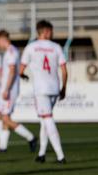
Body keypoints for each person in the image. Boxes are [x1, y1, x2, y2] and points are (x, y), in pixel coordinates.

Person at [20, 20, 68, 164]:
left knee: (47, 119)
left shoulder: (31, 47)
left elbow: (20, 70)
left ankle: (60, 156)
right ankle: (41, 154)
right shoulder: (56, 47)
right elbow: (64, 70)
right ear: (46, 31)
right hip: (54, 87)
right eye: (51, 31)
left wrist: (24, 76)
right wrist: (64, 88)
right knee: (44, 121)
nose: (52, 34)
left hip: (41, 89)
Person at [0, 30, 37, 153]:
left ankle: (31, 137)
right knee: (1, 116)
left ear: (2, 39)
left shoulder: (11, 51)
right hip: (7, 88)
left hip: (10, 90)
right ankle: (3, 146)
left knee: (5, 118)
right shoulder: (10, 52)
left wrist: (6, 89)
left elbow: (12, 71)